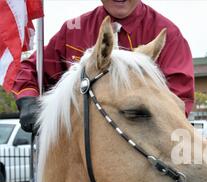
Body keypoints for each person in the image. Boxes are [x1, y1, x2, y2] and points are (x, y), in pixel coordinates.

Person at [12, 0, 194, 133]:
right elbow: (30, 68)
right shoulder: (73, 30)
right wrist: (28, 101)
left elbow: (178, 101)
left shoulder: (168, 35)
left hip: (144, 161)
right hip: (80, 163)